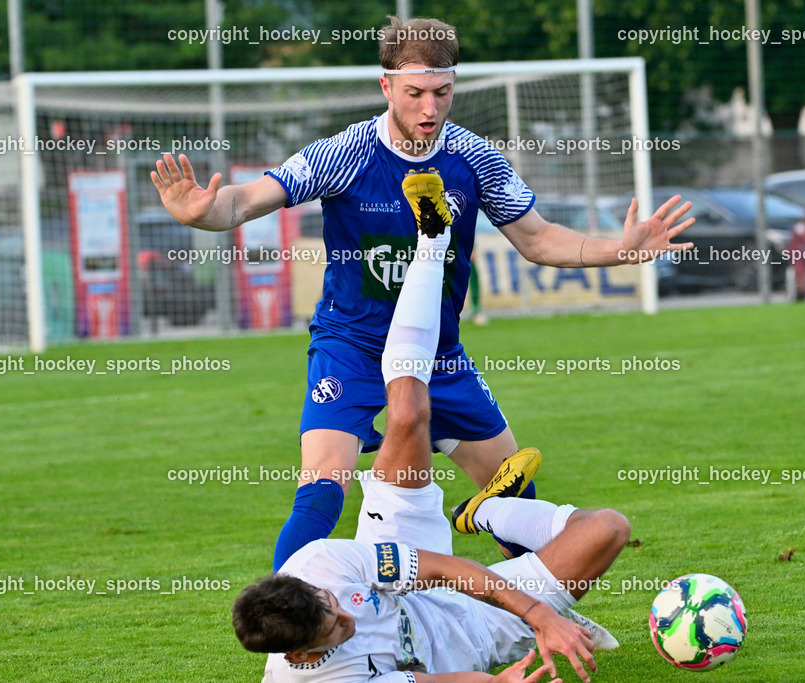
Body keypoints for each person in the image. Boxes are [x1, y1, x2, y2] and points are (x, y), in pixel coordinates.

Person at [150, 15, 694, 570]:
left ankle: (534, 616)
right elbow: (242, 201)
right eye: (414, 93)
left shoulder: (474, 159)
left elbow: (538, 239)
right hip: (352, 346)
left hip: (438, 355)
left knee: (513, 495)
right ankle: (294, 636)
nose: (429, 109)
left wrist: (620, 250)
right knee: (321, 489)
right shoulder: (346, 153)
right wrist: (203, 212)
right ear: (386, 86)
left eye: (442, 92)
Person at [231, 182, 644, 682]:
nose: (347, 615)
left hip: (427, 568)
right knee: (609, 528)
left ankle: (433, 238)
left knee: (407, 409)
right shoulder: (312, 680)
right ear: (298, 656)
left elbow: (445, 570)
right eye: (334, 628)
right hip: (482, 633)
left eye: (332, 605)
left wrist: (541, 614)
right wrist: (497, 681)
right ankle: (490, 513)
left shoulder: (321, 567)